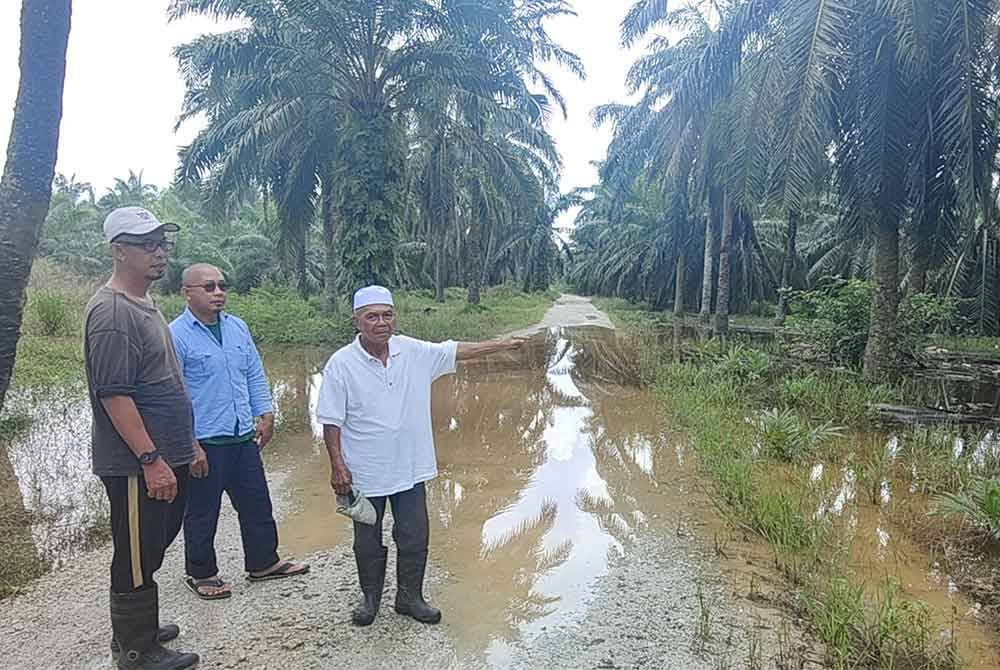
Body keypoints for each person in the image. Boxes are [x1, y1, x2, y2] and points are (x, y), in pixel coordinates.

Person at [316, 285, 526, 627]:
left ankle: (409, 597)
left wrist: (502, 344)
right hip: (365, 472)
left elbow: (457, 351)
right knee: (367, 538)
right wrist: (337, 466)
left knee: (415, 534)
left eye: (387, 315)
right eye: (372, 316)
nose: (381, 322)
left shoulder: (413, 351)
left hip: (410, 468)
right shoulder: (341, 364)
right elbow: (331, 420)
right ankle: (370, 599)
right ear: (357, 321)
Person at [84, 207, 202, 670]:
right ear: (118, 252)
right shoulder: (112, 312)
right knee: (135, 552)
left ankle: (141, 627)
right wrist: (151, 458)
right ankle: (136, 651)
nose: (158, 253)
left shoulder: (145, 304)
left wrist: (185, 445)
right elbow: (114, 395)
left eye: (161, 243)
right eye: (146, 245)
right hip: (136, 462)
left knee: (153, 542)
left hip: (166, 453)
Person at [169, 263, 309, 600]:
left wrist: (266, 412)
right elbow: (174, 394)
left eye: (221, 286)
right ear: (186, 292)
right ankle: (200, 572)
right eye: (208, 287)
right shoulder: (175, 334)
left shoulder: (237, 328)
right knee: (202, 511)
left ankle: (263, 563)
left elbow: (253, 374)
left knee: (257, 502)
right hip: (205, 440)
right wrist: (189, 445)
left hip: (242, 436)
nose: (218, 292)